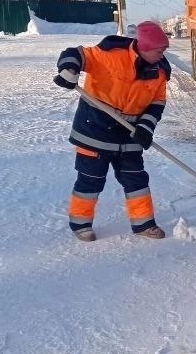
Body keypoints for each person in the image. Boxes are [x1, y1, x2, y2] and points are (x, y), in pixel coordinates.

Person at [54, 21, 171, 242]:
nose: (162, 55)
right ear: (145, 48)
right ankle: (81, 225)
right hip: (94, 130)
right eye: (159, 50)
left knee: (136, 180)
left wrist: (146, 128)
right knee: (90, 180)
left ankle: (144, 224)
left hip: (129, 136)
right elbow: (76, 54)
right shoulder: (110, 54)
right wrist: (69, 70)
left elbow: (157, 103)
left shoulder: (160, 72)